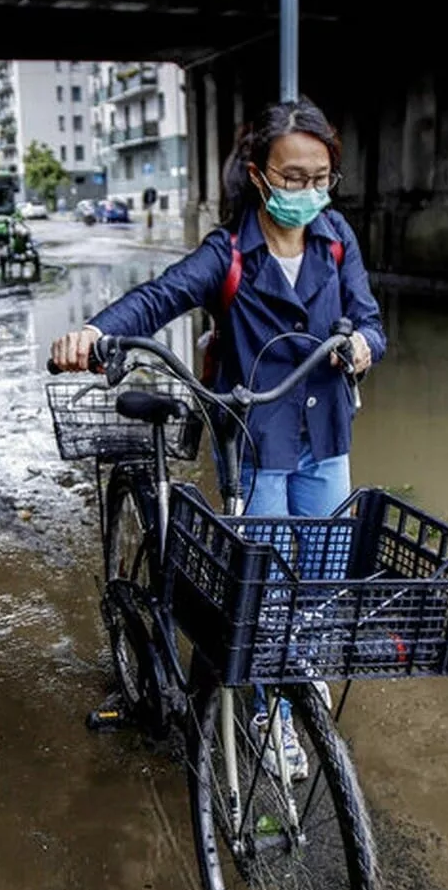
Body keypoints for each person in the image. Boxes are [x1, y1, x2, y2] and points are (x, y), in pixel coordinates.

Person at [49, 98, 387, 774]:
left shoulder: (338, 238)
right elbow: (159, 297)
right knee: (263, 591)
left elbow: (370, 319)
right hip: (256, 443)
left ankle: (300, 695)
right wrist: (94, 331)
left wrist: (364, 347)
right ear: (259, 174)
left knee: (318, 581)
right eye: (293, 178)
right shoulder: (228, 253)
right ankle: (269, 711)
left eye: (321, 178)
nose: (308, 193)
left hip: (326, 436)